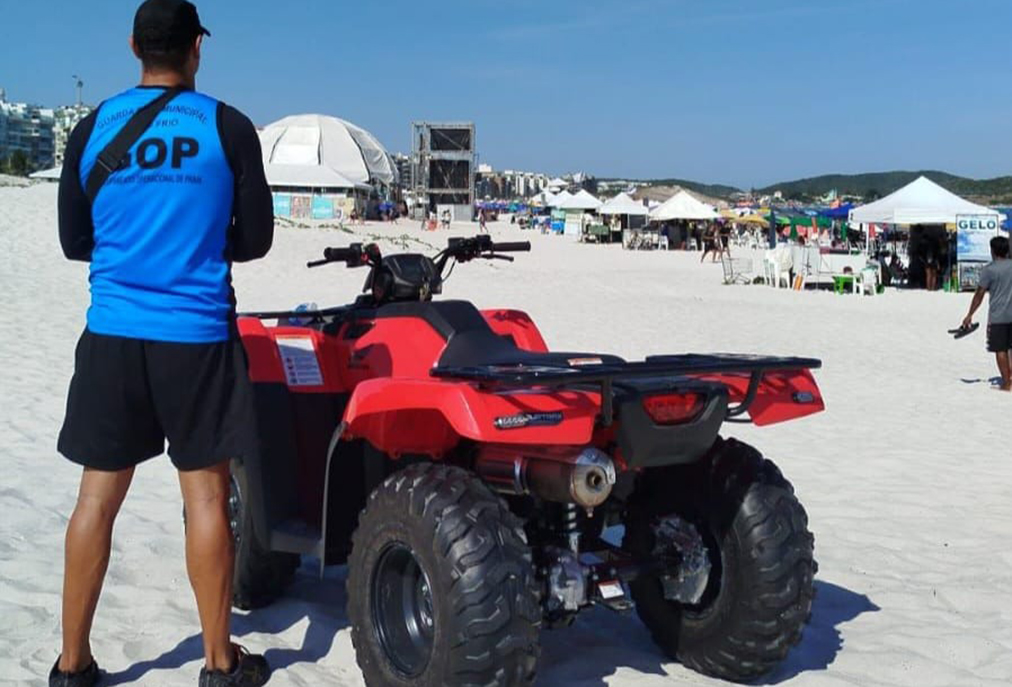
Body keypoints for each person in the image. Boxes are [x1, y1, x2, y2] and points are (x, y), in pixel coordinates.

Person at [54, 1, 273, 685]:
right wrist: (201, 243)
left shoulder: (92, 127)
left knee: (96, 498)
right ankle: (217, 662)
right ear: (197, 49)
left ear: (133, 47)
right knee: (206, 498)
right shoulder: (228, 127)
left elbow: (73, 241)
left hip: (114, 333)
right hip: (195, 337)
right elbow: (257, 239)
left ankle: (72, 665)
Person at [962, 236, 1012, 391]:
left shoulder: (989, 270)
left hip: (998, 316)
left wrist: (969, 314)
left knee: (1000, 349)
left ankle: (1007, 382)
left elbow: (979, 295)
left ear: (993, 251)